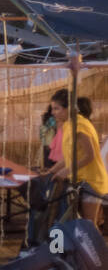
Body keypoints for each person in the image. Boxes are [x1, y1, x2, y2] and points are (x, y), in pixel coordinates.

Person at [44, 89, 108, 227]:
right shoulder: (68, 124)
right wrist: (50, 172)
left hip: (91, 181)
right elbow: (69, 157)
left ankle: (96, 249)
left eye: (57, 108)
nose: (53, 112)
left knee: (89, 224)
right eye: (53, 108)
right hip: (78, 180)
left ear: (69, 108)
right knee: (79, 224)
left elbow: (89, 156)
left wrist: (65, 172)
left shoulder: (80, 125)